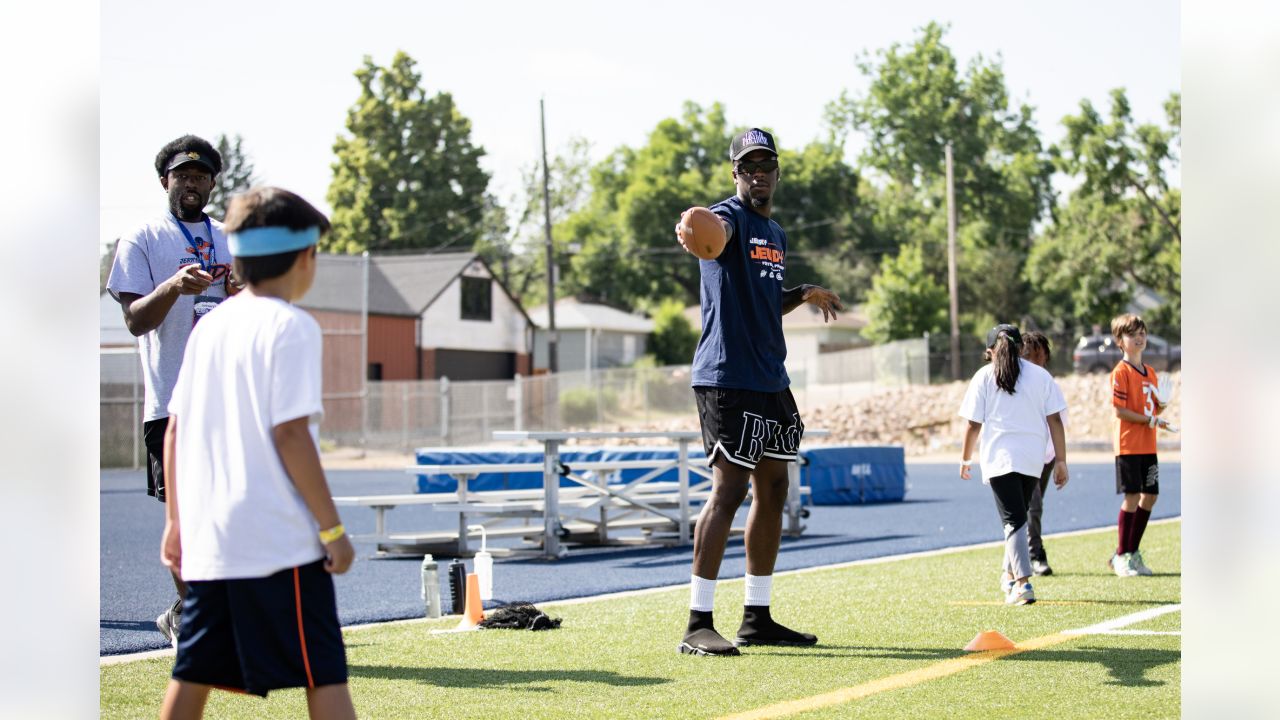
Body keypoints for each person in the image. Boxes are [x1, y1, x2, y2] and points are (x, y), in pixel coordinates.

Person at [159, 187, 356, 719]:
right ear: (304, 258)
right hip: (278, 541)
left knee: (192, 673)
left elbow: (174, 433)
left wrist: (176, 525)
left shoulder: (211, 326)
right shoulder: (292, 326)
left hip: (213, 537)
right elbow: (290, 435)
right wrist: (332, 529)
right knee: (323, 672)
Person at [672, 128, 844, 656]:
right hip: (727, 376)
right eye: (748, 165)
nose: (758, 172)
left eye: (766, 163)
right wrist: (694, 224)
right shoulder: (727, 218)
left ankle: (757, 616)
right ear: (735, 174)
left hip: (772, 377)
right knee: (729, 491)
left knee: (774, 490)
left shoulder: (776, 232)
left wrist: (802, 293)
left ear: (776, 170)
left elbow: (766, 297)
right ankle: (698, 621)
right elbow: (709, 233)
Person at [105, 134, 240, 646]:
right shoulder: (142, 237)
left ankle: (197, 611)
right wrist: (172, 286)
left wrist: (243, 294)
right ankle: (192, 615)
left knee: (228, 513)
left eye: (201, 176)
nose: (191, 183)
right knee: (185, 515)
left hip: (227, 403)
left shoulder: (229, 238)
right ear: (165, 181)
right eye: (182, 175)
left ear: (211, 184)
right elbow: (136, 321)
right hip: (174, 403)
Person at [958, 324, 1068, 606]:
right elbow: (1055, 420)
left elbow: (973, 424)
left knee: (1013, 521)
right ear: (1021, 348)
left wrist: (965, 457)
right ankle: (1009, 576)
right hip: (1032, 458)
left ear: (988, 351)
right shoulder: (1041, 376)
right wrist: (1062, 461)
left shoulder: (984, 376)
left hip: (999, 458)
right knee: (1017, 517)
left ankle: (1023, 584)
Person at [1107, 313, 1173, 577]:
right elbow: (1120, 411)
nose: (1139, 337)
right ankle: (1122, 554)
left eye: (1142, 332)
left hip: (1148, 445)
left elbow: (1154, 408)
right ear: (1119, 341)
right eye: (1132, 334)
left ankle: (1131, 552)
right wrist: (1150, 419)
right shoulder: (1120, 372)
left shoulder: (1151, 372)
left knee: (1151, 496)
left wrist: (1163, 408)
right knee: (1132, 496)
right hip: (1129, 445)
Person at [1021, 331, 1067, 576]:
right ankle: (1035, 554)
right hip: (1026, 457)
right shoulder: (1017, 385)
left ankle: (1025, 548)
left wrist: (1060, 459)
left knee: (1033, 507)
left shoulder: (1048, 383)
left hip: (1046, 457)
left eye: (1040, 357)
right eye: (1029, 357)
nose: (1035, 362)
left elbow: (1058, 422)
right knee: (1033, 506)